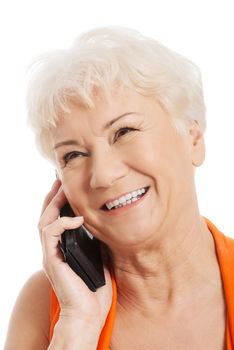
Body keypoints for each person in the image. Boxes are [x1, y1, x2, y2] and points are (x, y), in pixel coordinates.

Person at [4, 27, 234, 350]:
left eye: (123, 131)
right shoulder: (46, 307)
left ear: (193, 140)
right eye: (72, 155)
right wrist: (78, 327)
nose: (103, 176)